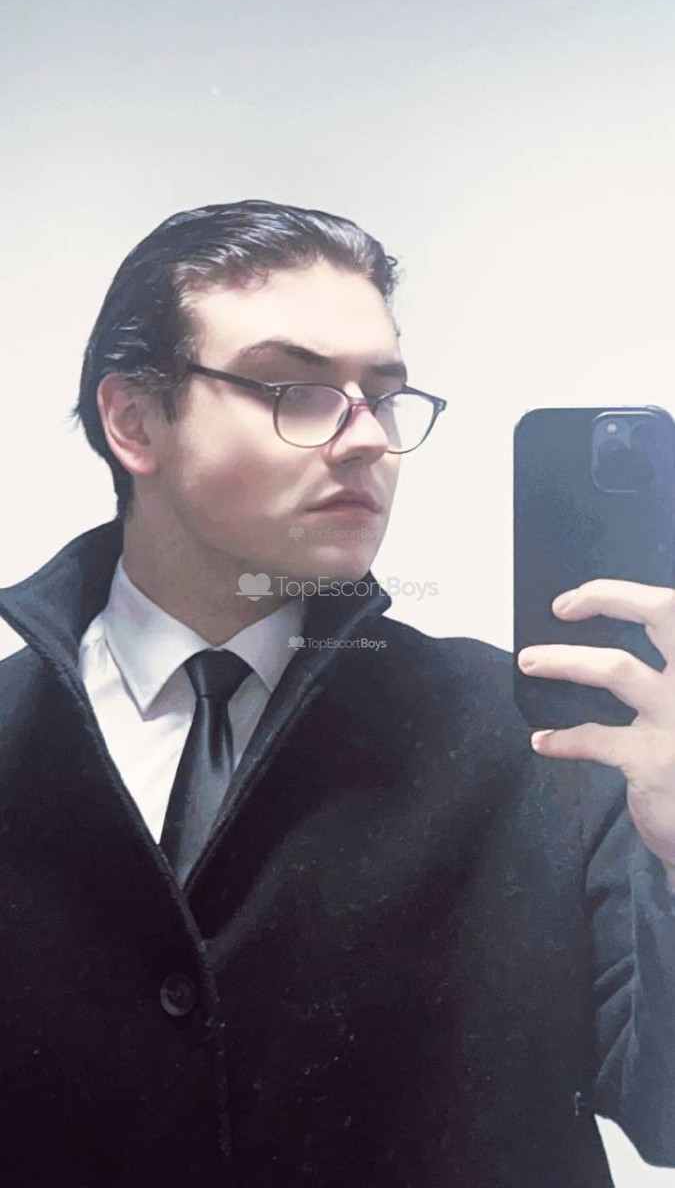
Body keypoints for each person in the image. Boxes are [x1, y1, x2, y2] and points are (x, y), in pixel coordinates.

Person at [0, 200, 674, 1188]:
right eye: (298, 390)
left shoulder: (544, 735)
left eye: (384, 396)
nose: (368, 441)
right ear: (134, 421)